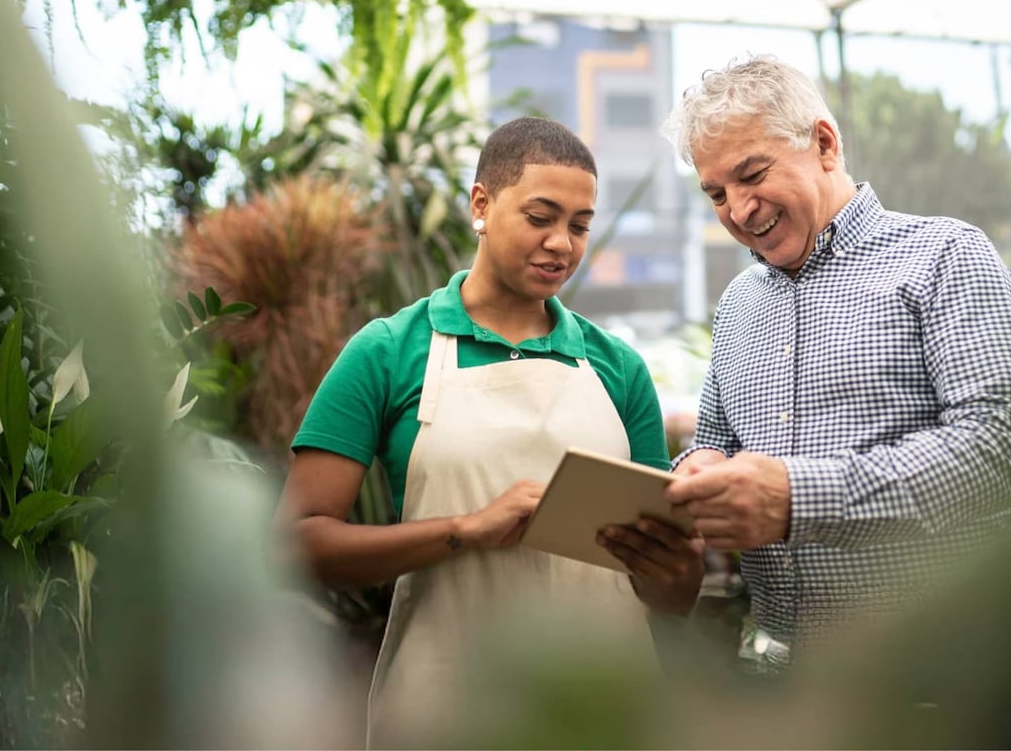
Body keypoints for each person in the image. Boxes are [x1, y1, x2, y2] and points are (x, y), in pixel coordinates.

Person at [276, 117, 706, 748]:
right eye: (541, 217)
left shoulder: (617, 367)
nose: (562, 243)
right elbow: (296, 547)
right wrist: (463, 531)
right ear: (481, 203)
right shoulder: (389, 351)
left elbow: (669, 599)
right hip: (447, 709)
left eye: (580, 225)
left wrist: (678, 567)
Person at [659, 55, 1011, 670]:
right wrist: (700, 466)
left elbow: (1001, 451)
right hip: (781, 669)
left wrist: (796, 498)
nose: (737, 210)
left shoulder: (946, 256)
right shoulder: (738, 304)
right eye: (716, 193)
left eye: (752, 175)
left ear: (825, 144)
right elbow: (719, 447)